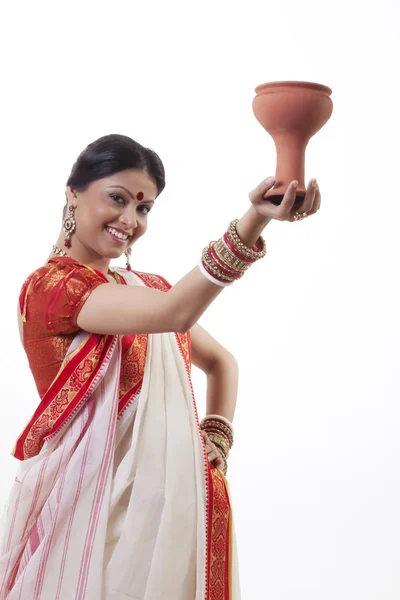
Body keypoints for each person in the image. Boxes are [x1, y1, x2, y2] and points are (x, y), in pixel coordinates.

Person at [0, 134, 321, 599]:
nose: (130, 220)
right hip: (87, 519)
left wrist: (216, 436)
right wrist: (254, 220)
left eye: (144, 208)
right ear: (73, 191)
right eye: (118, 198)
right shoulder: (53, 288)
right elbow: (175, 313)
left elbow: (221, 362)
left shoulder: (144, 287)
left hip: (164, 518)